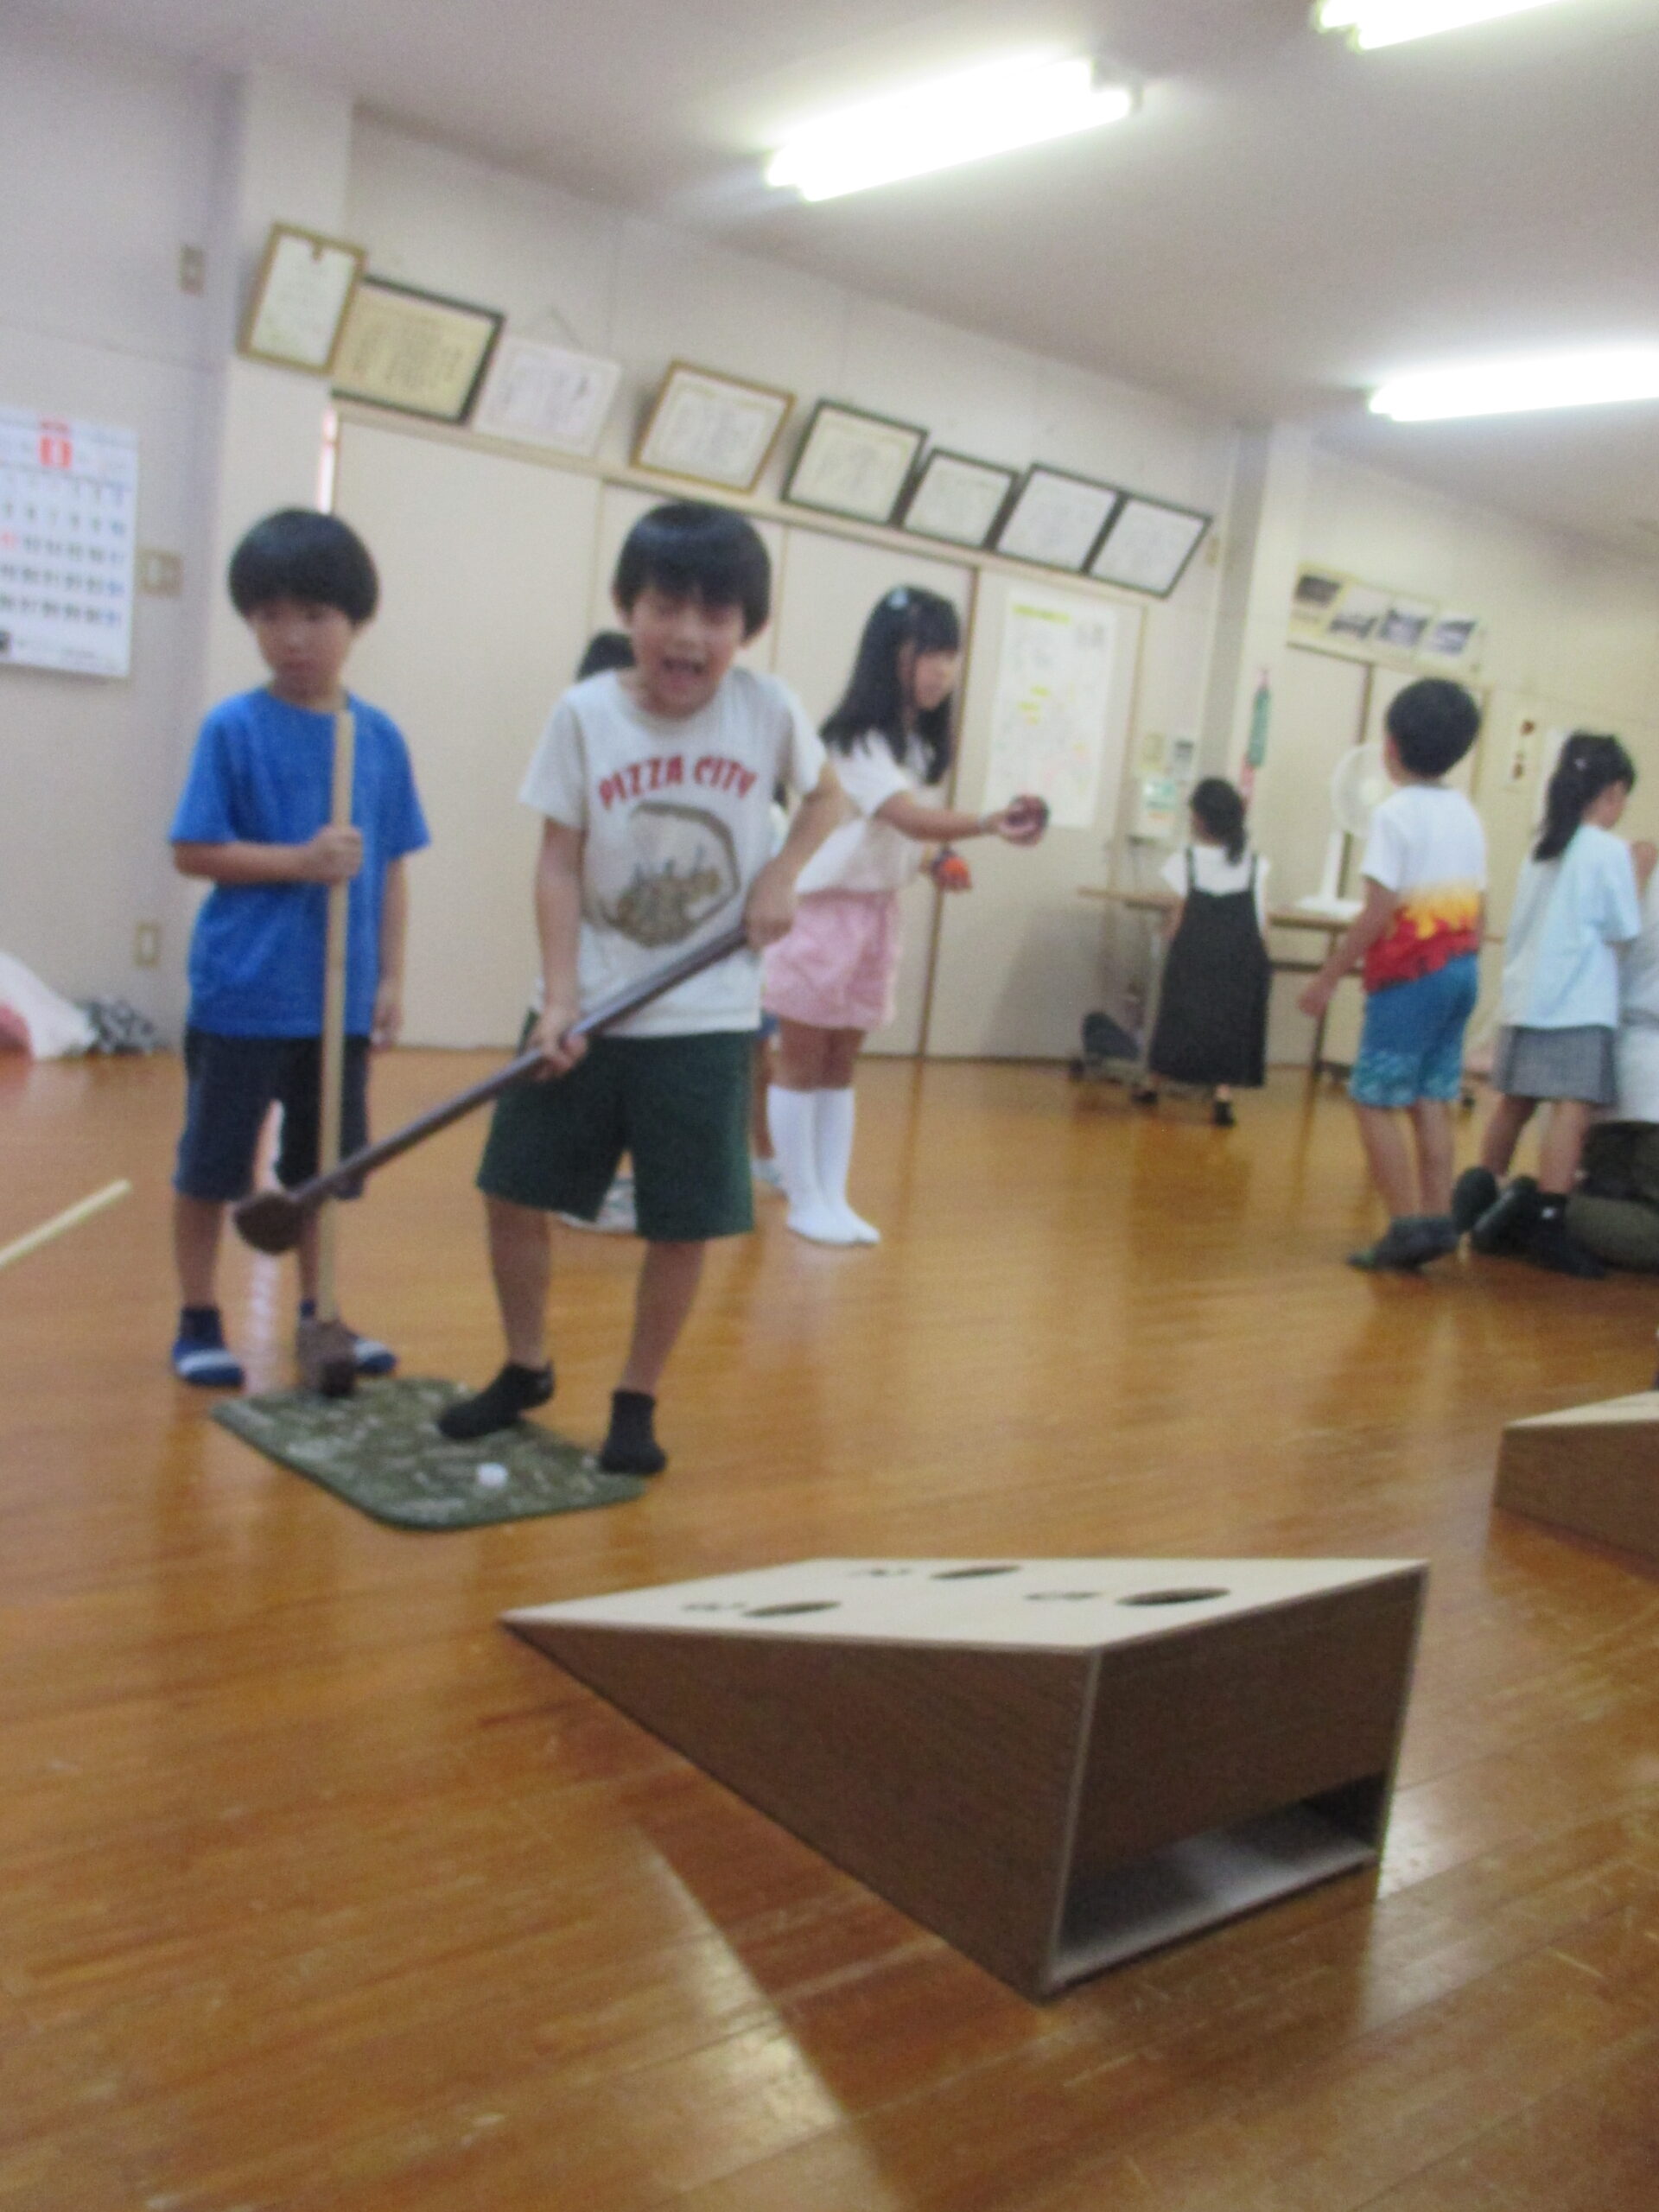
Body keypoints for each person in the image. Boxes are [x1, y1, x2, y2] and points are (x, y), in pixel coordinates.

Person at [437, 501, 842, 1471]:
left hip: (706, 1018)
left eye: (716, 614)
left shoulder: (767, 710)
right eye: (666, 607)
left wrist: (782, 874)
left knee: (681, 1220)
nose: (689, 634)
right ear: (628, 609)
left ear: (749, 627)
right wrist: (560, 997)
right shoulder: (585, 715)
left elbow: (828, 798)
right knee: (511, 1190)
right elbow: (558, 863)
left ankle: (636, 1399)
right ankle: (526, 1365)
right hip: (586, 1004)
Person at [168, 509, 430, 1385]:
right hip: (243, 992)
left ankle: (322, 1315)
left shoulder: (380, 738)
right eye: (270, 616)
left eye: (314, 616)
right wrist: (299, 861)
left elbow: (391, 868)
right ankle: (199, 1319)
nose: (291, 637)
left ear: (355, 620)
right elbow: (193, 850)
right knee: (213, 1166)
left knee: (323, 1173)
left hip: (338, 1001)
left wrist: (389, 978)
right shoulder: (233, 729)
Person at [760, 586, 1047, 1245]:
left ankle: (832, 1197)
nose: (943, 671)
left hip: (874, 915)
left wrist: (929, 861)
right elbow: (904, 816)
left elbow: (889, 837)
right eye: (929, 653)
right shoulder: (855, 741)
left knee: (840, 1066)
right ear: (889, 654)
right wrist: (988, 822)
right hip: (821, 917)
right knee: (802, 1061)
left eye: (951, 655)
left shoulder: (909, 745)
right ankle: (804, 1199)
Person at [1298, 678, 1484, 1271]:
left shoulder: (1394, 814)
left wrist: (1329, 974)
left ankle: (1405, 1226)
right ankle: (1439, 1220)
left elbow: (1379, 910)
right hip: (1461, 969)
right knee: (1432, 1096)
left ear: (1391, 745)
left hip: (1410, 978)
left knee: (1372, 1099)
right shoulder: (1466, 813)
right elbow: (1481, 905)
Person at [1452, 734, 1645, 1277]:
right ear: (1612, 792)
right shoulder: (1607, 850)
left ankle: (1483, 1194)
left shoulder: (1544, 847)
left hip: (1526, 997)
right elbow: (1625, 927)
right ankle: (1548, 1219)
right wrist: (1639, 873)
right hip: (1578, 1002)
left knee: (1514, 1103)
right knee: (1572, 1110)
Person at [1141, 777, 1271, 1128]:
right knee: (1230, 1024)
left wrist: (1165, 936)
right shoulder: (1254, 863)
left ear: (1198, 819)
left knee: (1178, 1019)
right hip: (1240, 959)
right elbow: (1262, 922)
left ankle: (1153, 1083)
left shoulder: (1185, 860)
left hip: (1195, 957)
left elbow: (1176, 919)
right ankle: (1223, 1094)